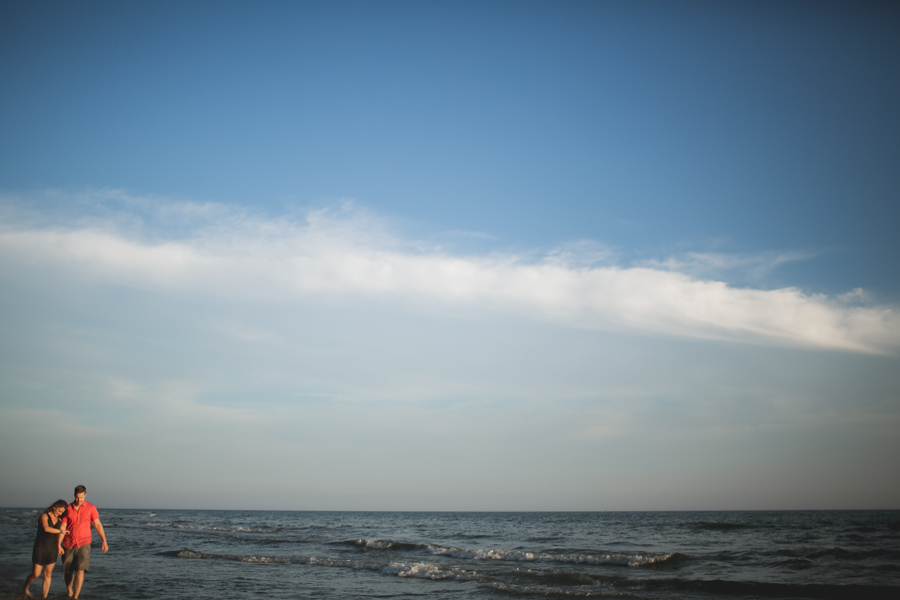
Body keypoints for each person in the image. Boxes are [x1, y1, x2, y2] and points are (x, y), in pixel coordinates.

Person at [59, 485, 108, 599]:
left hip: (84, 543)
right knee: (68, 571)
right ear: (74, 496)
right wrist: (58, 544)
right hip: (68, 543)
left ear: (85, 495)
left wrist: (104, 540)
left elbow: (97, 524)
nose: (79, 500)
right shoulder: (68, 508)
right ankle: (69, 591)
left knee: (80, 571)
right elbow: (63, 526)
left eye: (81, 498)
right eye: (77, 498)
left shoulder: (91, 508)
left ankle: (75, 597)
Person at [23, 499, 69, 598]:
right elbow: (46, 528)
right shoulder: (44, 516)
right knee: (36, 574)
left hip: (52, 549)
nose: (60, 513)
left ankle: (44, 597)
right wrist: (61, 531)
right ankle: (26, 588)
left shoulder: (60, 520)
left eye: (62, 512)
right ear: (54, 507)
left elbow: (59, 536)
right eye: (59, 511)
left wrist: (59, 546)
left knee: (48, 574)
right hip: (40, 548)